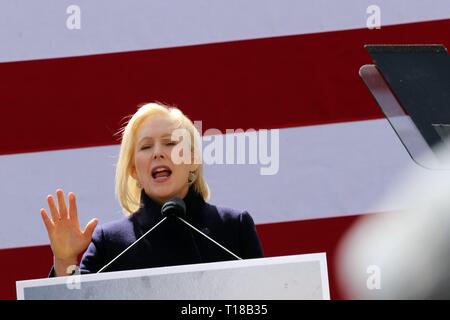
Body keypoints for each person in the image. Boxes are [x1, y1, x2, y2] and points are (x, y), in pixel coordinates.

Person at [40, 102, 264, 276]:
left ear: (194, 158)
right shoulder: (109, 242)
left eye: (170, 143)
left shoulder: (234, 227)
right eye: (146, 147)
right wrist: (65, 260)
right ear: (134, 170)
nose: (157, 153)